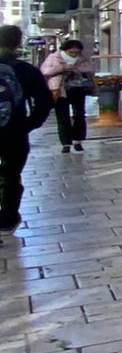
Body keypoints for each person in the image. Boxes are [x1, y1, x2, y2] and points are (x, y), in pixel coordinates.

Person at [0, 26, 54, 232]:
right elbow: (44, 103)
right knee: (12, 175)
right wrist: (28, 125)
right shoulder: (27, 71)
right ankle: (7, 218)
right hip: (14, 133)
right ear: (18, 43)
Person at [40, 39, 95, 155]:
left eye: (77, 52)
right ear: (65, 50)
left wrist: (77, 69)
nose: (74, 55)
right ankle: (66, 143)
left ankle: (78, 140)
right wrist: (62, 68)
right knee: (62, 117)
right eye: (71, 52)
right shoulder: (54, 58)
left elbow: (90, 69)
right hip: (60, 90)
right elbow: (44, 71)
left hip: (78, 89)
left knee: (79, 115)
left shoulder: (81, 59)